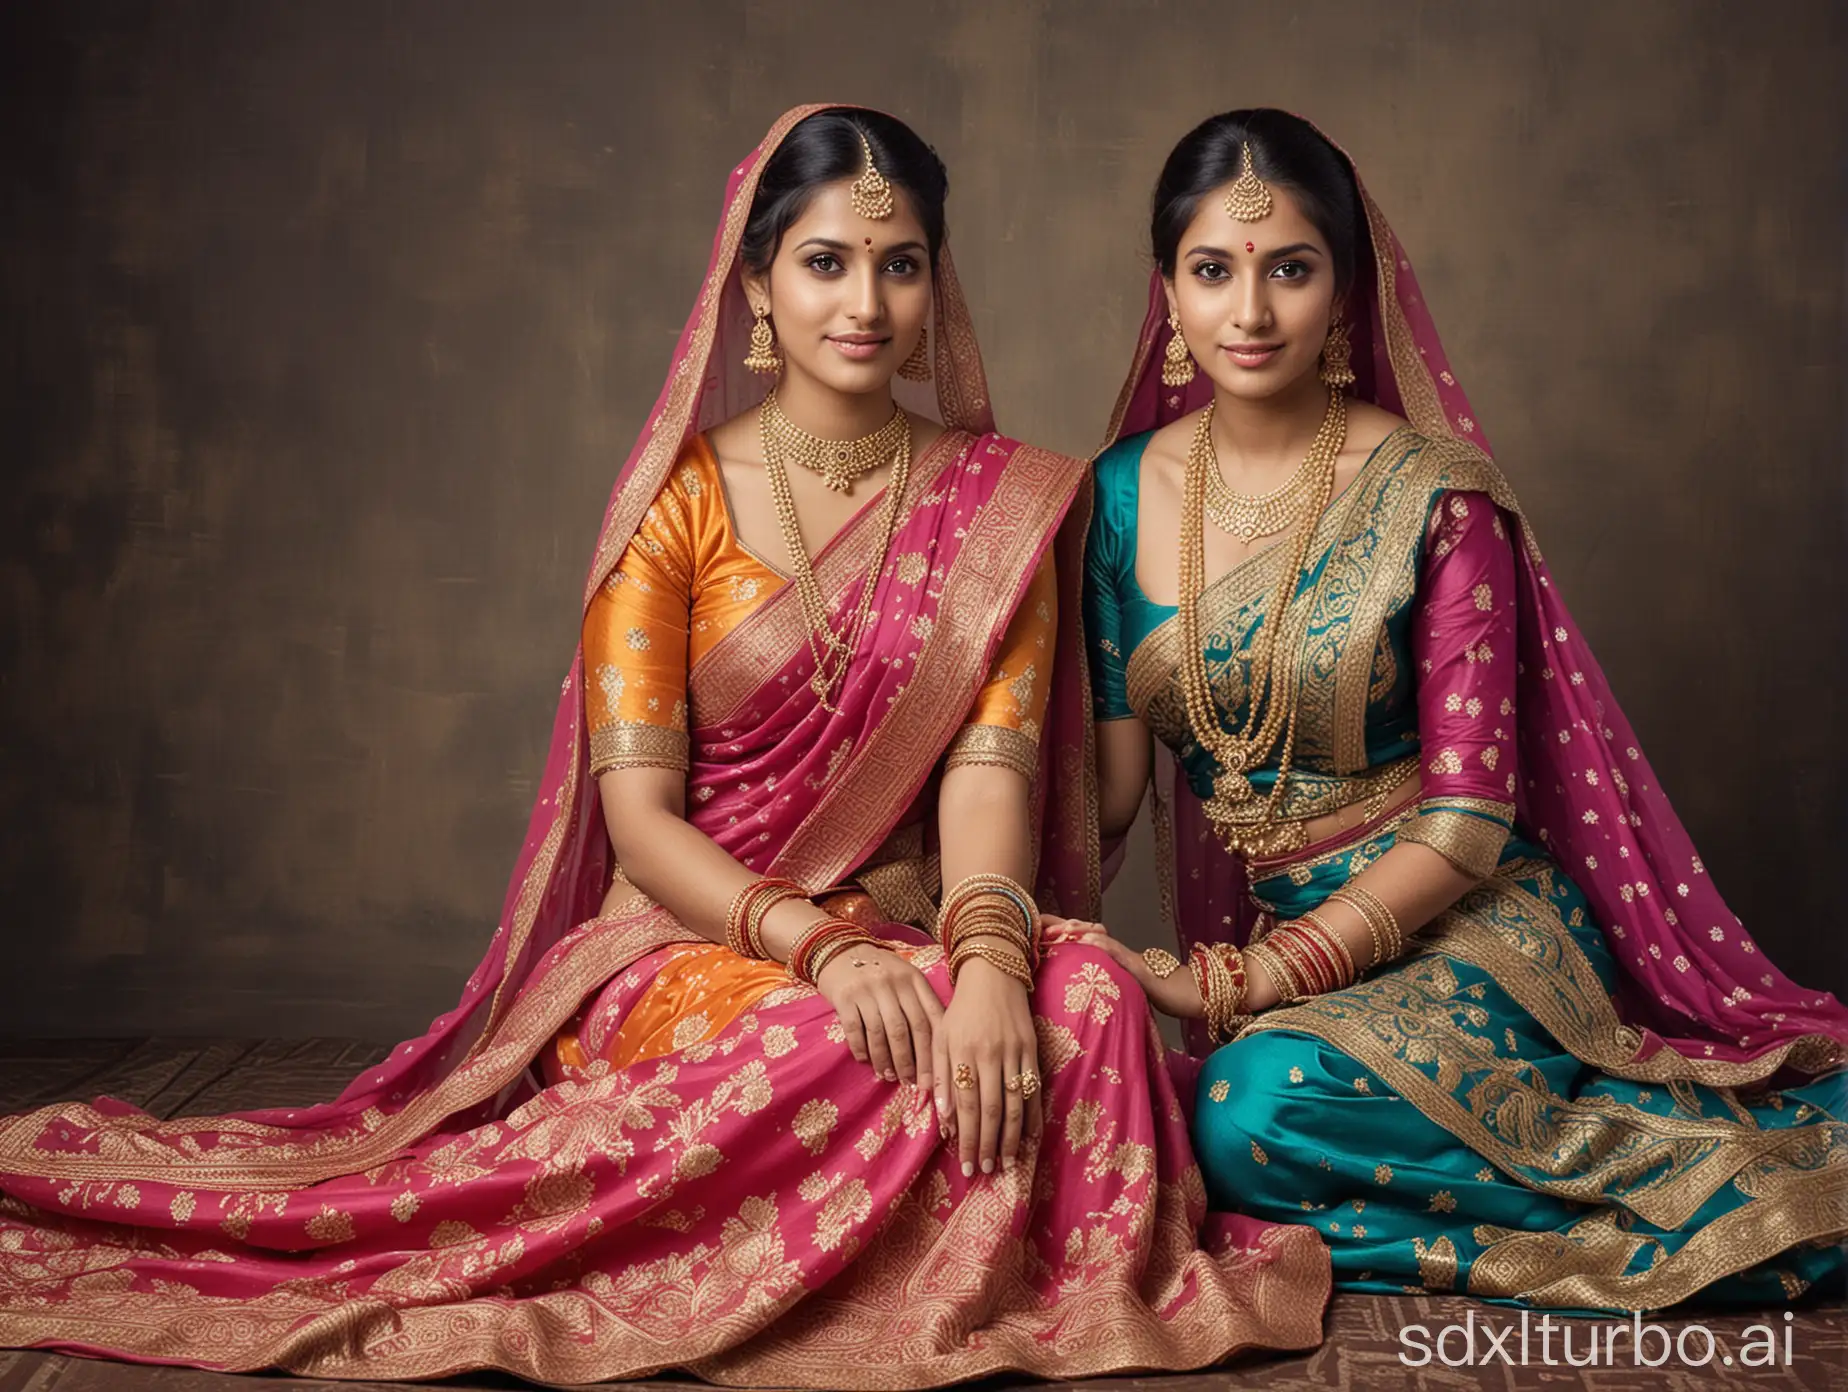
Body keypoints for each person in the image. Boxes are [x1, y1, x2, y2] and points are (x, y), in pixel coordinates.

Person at [0, 106, 1328, 1384]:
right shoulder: (677, 504)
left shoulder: (1001, 506)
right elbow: (638, 824)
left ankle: (918, 1249)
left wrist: (986, 958)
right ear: (756, 289)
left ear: (938, 287)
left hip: (918, 929)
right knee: (861, 1036)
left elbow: (989, 784)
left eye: (900, 264)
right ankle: (849, 1252)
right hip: (697, 944)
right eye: (823, 262)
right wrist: (820, 946)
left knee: (1080, 996)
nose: (863, 301)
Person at [1066, 107, 1848, 1311]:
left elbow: (1467, 826)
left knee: (1242, 1118)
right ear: (1166, 293)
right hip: (1295, 970)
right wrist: (957, 882)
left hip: (1471, 935)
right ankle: (1643, 1214)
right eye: (1213, 271)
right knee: (1142, 1119)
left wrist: (1242, 986)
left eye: (1291, 269)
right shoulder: (1119, 497)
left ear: (1345, 289)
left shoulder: (1435, 497)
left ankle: (1734, 1209)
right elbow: (1109, 794)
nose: (1252, 312)